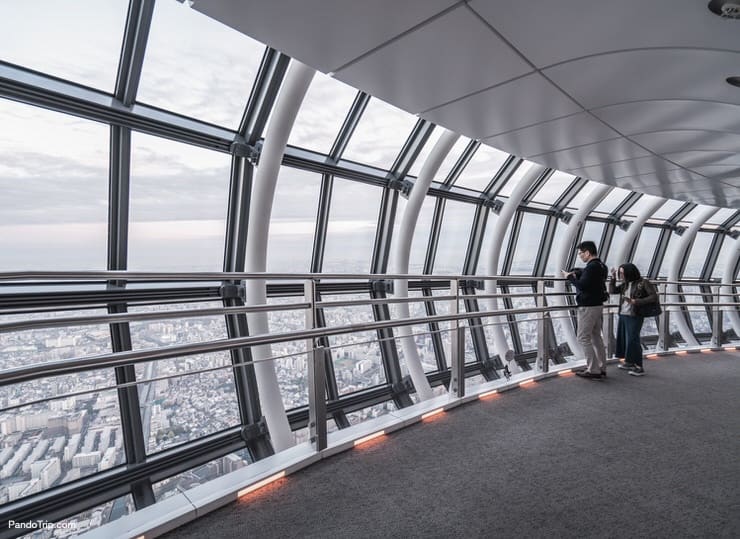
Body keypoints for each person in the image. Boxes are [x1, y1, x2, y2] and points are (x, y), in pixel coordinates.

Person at [560, 241, 609, 379]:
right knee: (596, 337)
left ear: (587, 252)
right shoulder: (601, 266)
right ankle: (601, 367)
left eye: (581, 253)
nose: (580, 256)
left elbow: (582, 285)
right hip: (597, 305)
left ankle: (593, 370)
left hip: (588, 307)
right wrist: (578, 272)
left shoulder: (592, 267)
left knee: (582, 337)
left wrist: (569, 276)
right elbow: (591, 280)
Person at [609, 263, 658, 377]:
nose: (621, 275)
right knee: (625, 339)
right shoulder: (625, 284)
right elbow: (612, 291)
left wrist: (636, 302)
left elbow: (653, 297)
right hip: (623, 314)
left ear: (629, 273)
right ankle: (629, 362)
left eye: (622, 273)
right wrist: (613, 278)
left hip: (635, 315)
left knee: (633, 340)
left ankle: (639, 366)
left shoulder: (643, 282)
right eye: (620, 273)